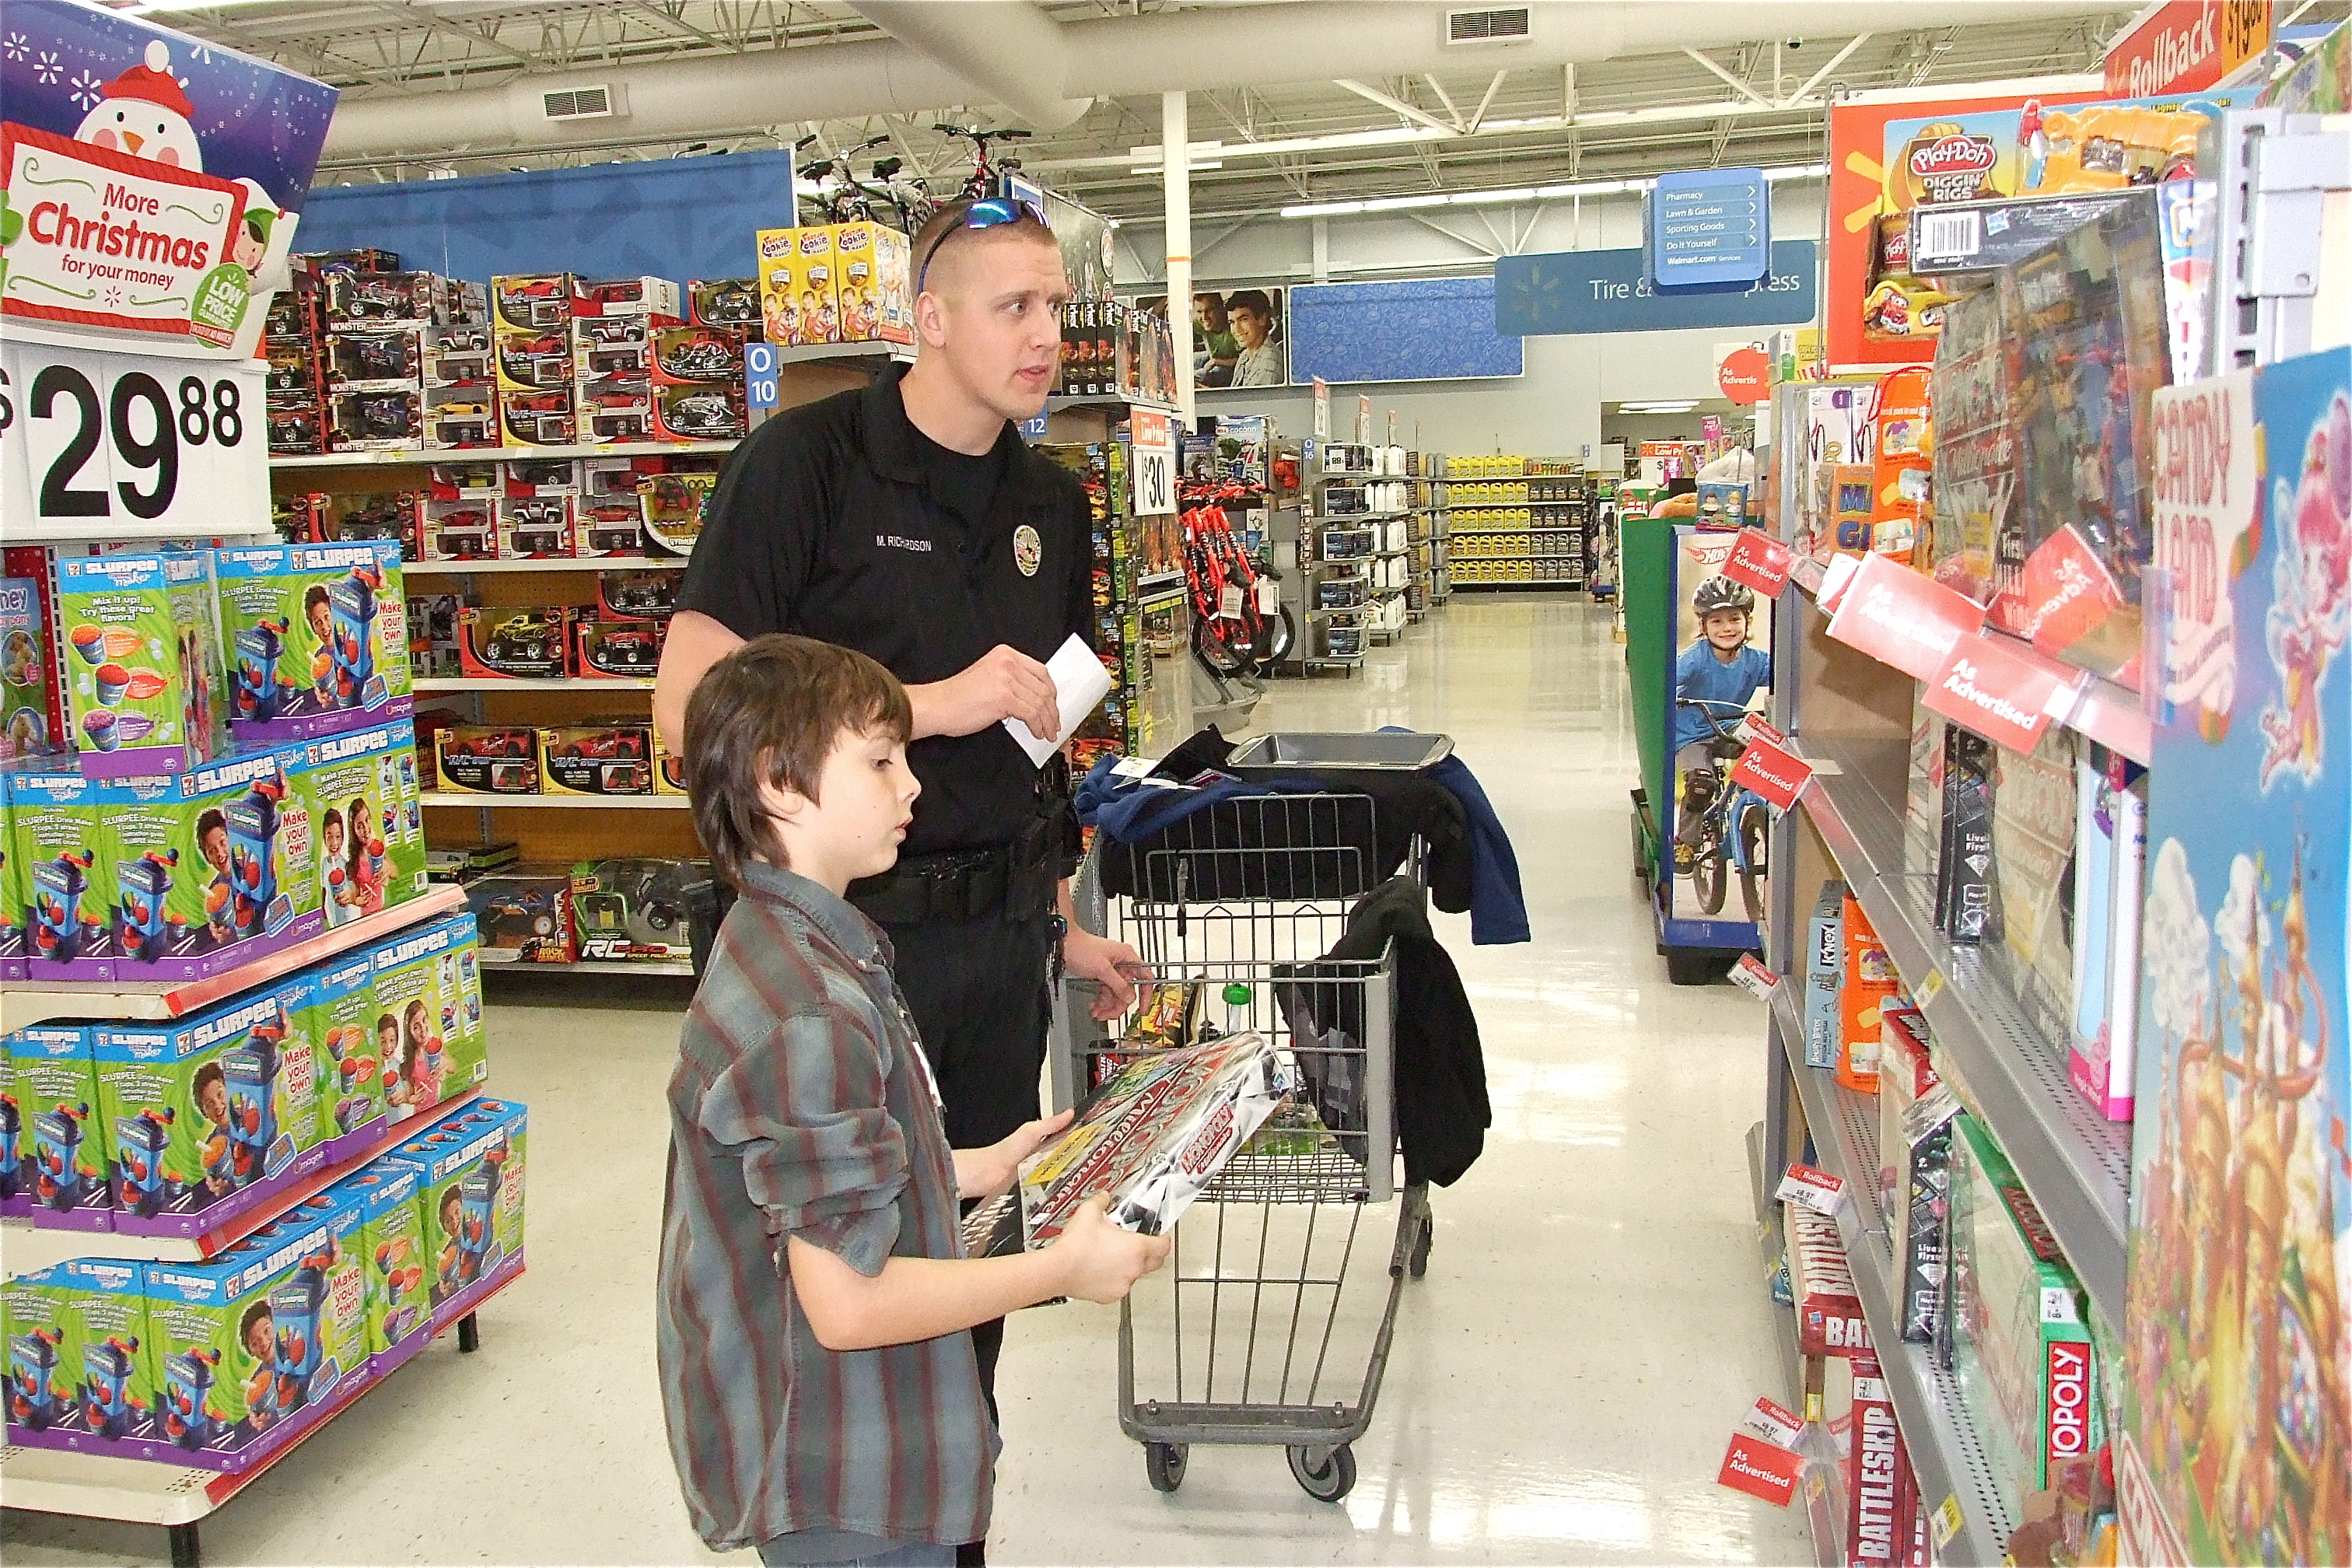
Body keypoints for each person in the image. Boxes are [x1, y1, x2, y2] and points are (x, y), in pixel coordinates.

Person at [653, 197, 1152, 1475]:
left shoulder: (1052, 499)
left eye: (1055, 307)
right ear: (928, 317)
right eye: (1013, 306)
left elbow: (1036, 738)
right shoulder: (803, 465)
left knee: (969, 1251)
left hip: (998, 948)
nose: (1045, 336)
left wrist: (1060, 925)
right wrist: (926, 706)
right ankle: (847, 1512)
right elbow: (688, 710)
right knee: (845, 1277)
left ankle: (946, 1483)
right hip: (843, 951)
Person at [656, 635, 1169, 1568]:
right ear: (778, 783)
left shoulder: (793, 940)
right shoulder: (808, 1011)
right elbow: (849, 1305)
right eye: (881, 762)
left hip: (859, 1441)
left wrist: (976, 1166)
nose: (913, 786)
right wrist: (1061, 1269)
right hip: (848, 1486)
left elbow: (812, 1186)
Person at [1671, 576, 1771, 873]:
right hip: (1692, 736)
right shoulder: (1695, 659)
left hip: (1729, 729)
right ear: (1703, 626)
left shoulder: (1755, 661)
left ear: (1748, 621)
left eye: (1734, 619)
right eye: (1716, 621)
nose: (1727, 628)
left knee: (1771, 759)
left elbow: (1789, 674)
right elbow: (1665, 681)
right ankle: (1686, 842)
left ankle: (1758, 817)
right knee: (1701, 784)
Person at [1227, 290, 1283, 387]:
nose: (1236, 329)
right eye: (1232, 322)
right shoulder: (1245, 355)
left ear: (1262, 319)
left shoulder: (1267, 367)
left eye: (1243, 320)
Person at [1192, 291, 1238, 386]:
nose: (1204, 317)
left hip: (1230, 368)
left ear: (1221, 308)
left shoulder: (1233, 327)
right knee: (1190, 359)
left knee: (1200, 376)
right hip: (1213, 358)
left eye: (1209, 310)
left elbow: (1243, 360)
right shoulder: (1200, 323)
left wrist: (1217, 362)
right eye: (1199, 312)